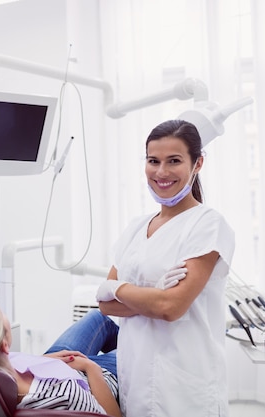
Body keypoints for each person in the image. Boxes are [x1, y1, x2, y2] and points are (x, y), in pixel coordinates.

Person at [96, 119, 235, 417]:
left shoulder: (208, 224)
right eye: (153, 161)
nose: (161, 172)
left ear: (197, 163)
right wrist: (152, 296)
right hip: (136, 376)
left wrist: (118, 288)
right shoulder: (136, 228)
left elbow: (171, 307)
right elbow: (105, 306)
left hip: (187, 384)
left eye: (174, 161)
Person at [0, 291, 122, 417]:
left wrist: (41, 362)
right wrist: (91, 368)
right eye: (1, 312)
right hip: (93, 379)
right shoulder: (64, 396)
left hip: (44, 367)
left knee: (98, 317)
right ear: (4, 345)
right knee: (136, 346)